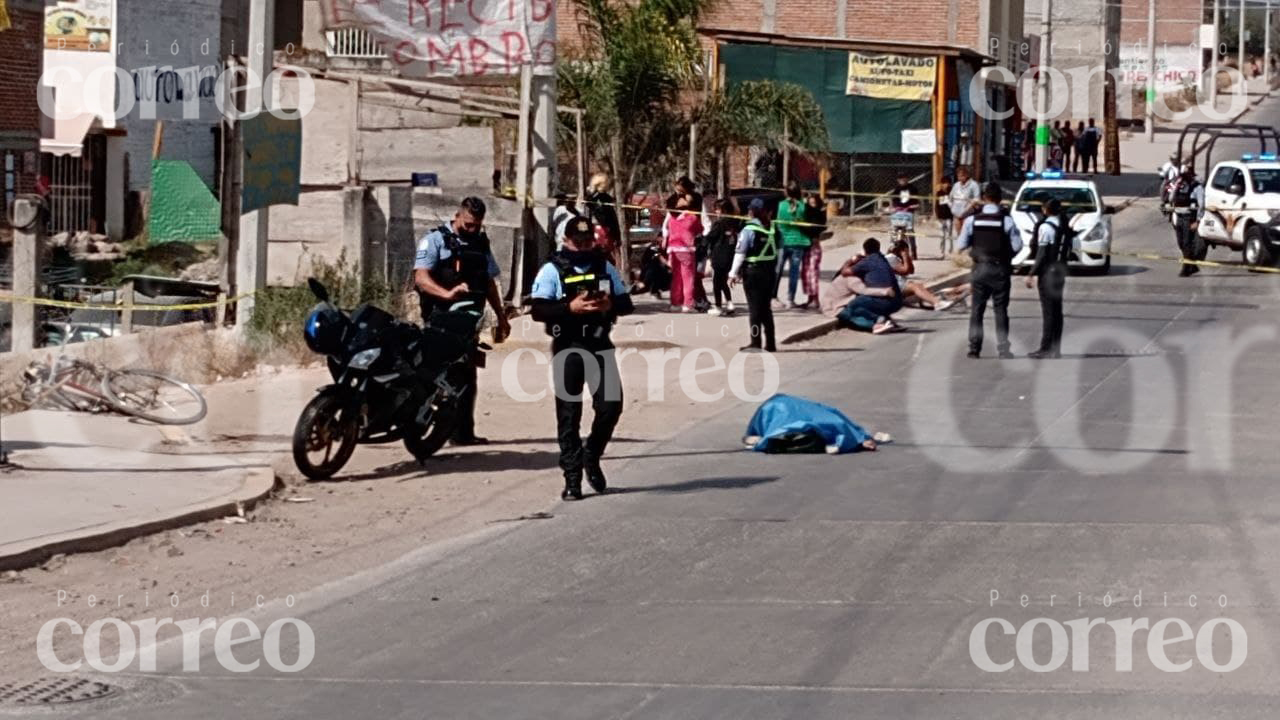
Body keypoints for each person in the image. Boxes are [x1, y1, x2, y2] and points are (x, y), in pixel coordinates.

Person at [530, 217, 635, 501]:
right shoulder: (552, 270)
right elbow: (538, 310)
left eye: (588, 241)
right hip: (568, 347)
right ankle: (572, 478)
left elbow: (627, 303)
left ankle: (592, 454)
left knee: (611, 406)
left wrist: (610, 303)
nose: (584, 246)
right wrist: (570, 308)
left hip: (600, 344)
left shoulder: (604, 266)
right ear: (566, 241)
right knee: (568, 414)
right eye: (578, 242)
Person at [413, 196, 512, 445]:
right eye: (468, 224)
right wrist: (447, 293)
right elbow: (421, 279)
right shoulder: (434, 240)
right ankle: (417, 426)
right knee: (433, 373)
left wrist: (501, 316)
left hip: (468, 322)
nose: (472, 229)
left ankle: (462, 433)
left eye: (477, 225)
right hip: (439, 318)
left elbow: (489, 282)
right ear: (457, 216)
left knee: (466, 375)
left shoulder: (480, 242)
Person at [956, 182, 1023, 359]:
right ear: (1000, 198)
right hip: (1000, 269)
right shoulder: (1006, 220)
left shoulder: (972, 220)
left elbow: (961, 244)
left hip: (979, 269)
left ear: (984, 198)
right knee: (1001, 310)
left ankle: (974, 348)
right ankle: (1003, 349)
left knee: (977, 310)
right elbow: (1018, 246)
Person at [729, 199, 778, 352]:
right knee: (766, 308)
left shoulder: (748, 230)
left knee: (755, 309)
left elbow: (740, 253)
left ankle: (755, 342)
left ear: (753, 211)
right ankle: (770, 343)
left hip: (753, 273)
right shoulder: (773, 229)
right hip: (769, 272)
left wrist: (732, 273)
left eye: (750, 210)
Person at [1025, 198, 1070, 359]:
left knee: (1048, 312)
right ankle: (1056, 348)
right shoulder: (1063, 225)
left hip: (1048, 273)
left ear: (1046, 210)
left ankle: (1046, 348)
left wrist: (1031, 273)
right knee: (1057, 311)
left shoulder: (1046, 227)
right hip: (1060, 271)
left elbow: (1042, 253)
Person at [835, 238, 905, 334]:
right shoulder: (883, 259)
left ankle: (875, 325)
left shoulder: (867, 262)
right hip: (897, 301)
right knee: (863, 302)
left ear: (865, 250)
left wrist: (851, 260)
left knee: (852, 308)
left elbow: (844, 272)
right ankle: (888, 321)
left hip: (883, 301)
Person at [886, 238, 956, 311]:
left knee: (919, 286)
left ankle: (934, 300)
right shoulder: (891, 258)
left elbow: (911, 270)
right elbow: (905, 271)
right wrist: (904, 256)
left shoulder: (896, 258)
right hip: (895, 286)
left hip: (897, 285)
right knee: (915, 287)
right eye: (906, 250)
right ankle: (937, 303)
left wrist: (907, 257)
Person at [662, 193, 703, 312]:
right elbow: (700, 230)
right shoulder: (692, 217)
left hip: (673, 249)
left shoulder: (672, 217)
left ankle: (675, 303)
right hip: (686, 249)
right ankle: (688, 304)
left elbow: (667, 230)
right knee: (688, 278)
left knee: (676, 278)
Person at [774, 181, 810, 308]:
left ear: (787, 192)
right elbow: (806, 223)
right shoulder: (803, 206)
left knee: (777, 270)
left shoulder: (781, 205)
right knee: (794, 273)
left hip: (783, 241)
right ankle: (790, 299)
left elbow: (778, 224)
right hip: (798, 241)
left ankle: (773, 297)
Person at [705, 198, 741, 316]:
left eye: (717, 209)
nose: (716, 211)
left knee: (716, 283)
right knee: (723, 281)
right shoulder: (735, 222)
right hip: (730, 255)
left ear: (723, 210)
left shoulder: (719, 224)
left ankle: (718, 306)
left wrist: (701, 240)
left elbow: (710, 237)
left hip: (719, 255)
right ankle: (730, 303)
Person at [1170, 164, 1206, 277]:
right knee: (1181, 243)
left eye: (1186, 174)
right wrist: (1176, 186)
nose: (1184, 177)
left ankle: (1186, 268)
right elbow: (1171, 198)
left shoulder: (1197, 187)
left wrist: (1198, 221)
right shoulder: (1179, 185)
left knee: (1187, 244)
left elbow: (1202, 205)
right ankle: (1193, 265)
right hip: (1179, 217)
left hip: (1189, 218)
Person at [800, 192, 828, 309]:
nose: (812, 205)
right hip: (806, 244)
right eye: (810, 203)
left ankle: (815, 299)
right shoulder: (806, 213)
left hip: (814, 246)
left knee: (813, 273)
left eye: (814, 203)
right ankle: (810, 298)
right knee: (805, 273)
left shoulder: (819, 214)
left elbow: (820, 226)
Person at [890, 173, 921, 260]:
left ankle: (913, 251)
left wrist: (914, 206)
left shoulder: (913, 189)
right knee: (894, 231)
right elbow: (894, 201)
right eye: (900, 179)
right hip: (898, 212)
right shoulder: (896, 189)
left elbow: (916, 202)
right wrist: (893, 208)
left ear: (907, 179)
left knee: (910, 231)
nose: (902, 181)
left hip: (908, 212)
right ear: (898, 180)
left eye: (904, 179)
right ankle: (893, 248)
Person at [949, 166, 981, 238]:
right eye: (958, 176)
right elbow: (950, 198)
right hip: (957, 214)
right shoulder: (956, 185)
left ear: (967, 175)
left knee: (967, 235)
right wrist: (953, 210)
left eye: (962, 176)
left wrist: (966, 211)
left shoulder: (974, 185)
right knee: (959, 235)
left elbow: (977, 199)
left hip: (968, 215)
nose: (960, 178)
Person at [935, 177, 955, 258]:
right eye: (944, 183)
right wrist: (937, 216)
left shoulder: (952, 193)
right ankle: (942, 252)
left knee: (950, 235)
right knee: (942, 235)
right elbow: (937, 206)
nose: (946, 185)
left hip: (949, 217)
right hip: (941, 217)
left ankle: (951, 251)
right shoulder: (939, 193)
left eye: (948, 183)